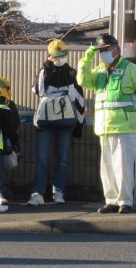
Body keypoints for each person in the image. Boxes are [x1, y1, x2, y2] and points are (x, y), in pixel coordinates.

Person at [77, 34, 136, 214]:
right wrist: (87, 56)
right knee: (108, 167)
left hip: (126, 127)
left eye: (105, 50)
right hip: (105, 127)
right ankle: (111, 200)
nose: (103, 54)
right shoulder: (99, 71)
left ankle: (125, 201)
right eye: (100, 51)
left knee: (123, 167)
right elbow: (82, 80)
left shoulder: (131, 69)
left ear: (116, 49)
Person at [27, 39, 85, 206]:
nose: (59, 58)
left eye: (62, 55)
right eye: (55, 56)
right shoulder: (44, 71)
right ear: (49, 56)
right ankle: (37, 194)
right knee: (42, 158)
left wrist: (78, 125)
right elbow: (38, 91)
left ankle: (58, 193)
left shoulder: (72, 73)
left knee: (63, 159)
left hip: (65, 121)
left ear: (67, 55)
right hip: (46, 122)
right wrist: (45, 68)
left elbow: (80, 99)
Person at [0, 77, 21, 205]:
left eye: (1, 87)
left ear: (7, 90)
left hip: (3, 142)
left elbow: (16, 123)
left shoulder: (10, 104)